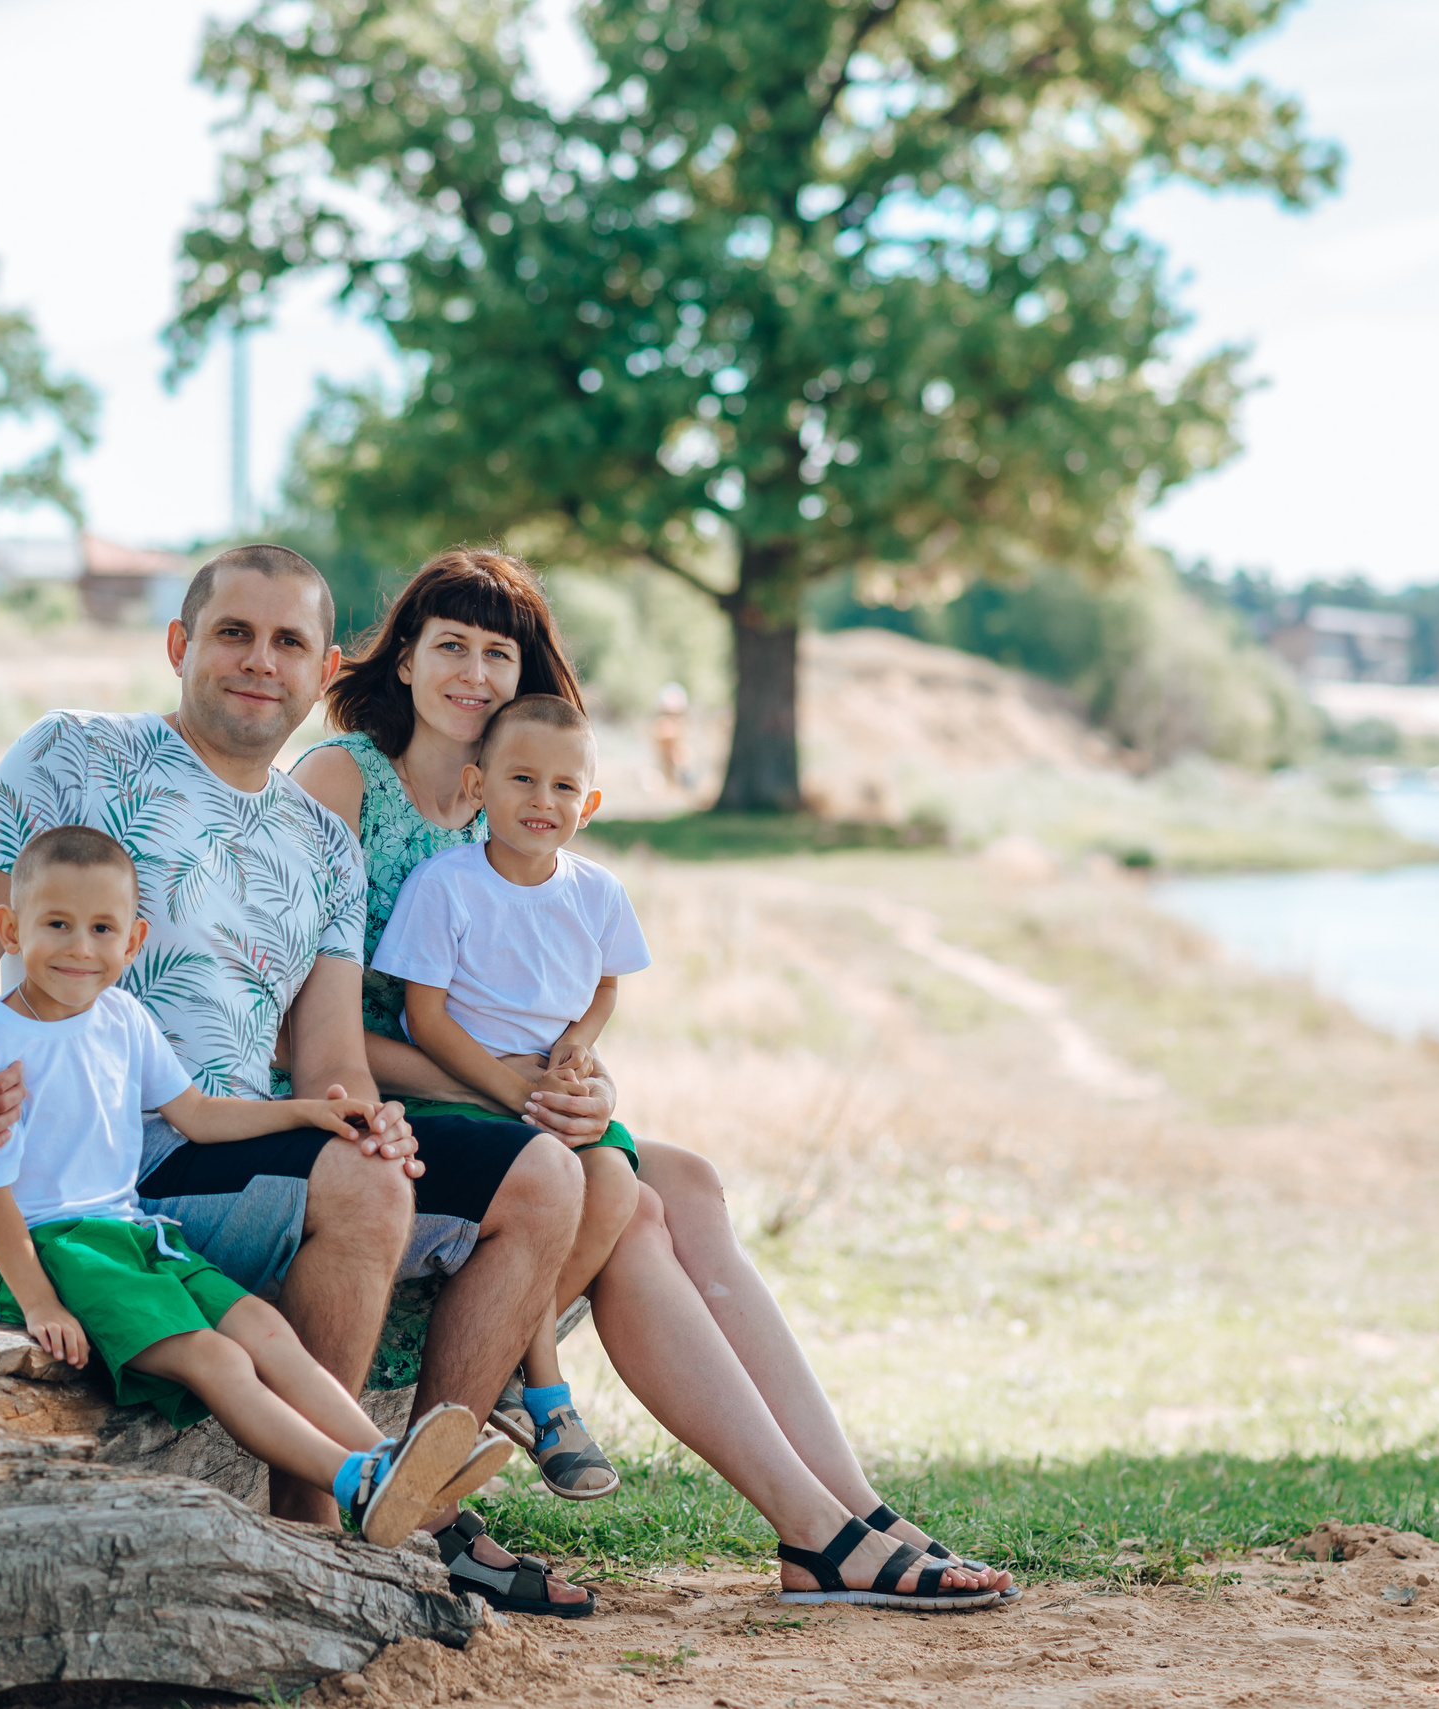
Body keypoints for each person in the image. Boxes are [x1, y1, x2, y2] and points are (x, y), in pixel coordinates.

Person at [291, 547, 1017, 1609]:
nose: (475, 673)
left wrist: (579, 1079)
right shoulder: (345, 776)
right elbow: (324, 1020)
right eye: (450, 645)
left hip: (486, 1101)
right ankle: (810, 1529)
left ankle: (849, 1504)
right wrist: (518, 1093)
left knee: (691, 1183)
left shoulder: (505, 810)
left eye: (502, 653)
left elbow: (546, 1003)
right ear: (402, 658)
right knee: (624, 1202)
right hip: (362, 1104)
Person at [0, 543, 592, 1614]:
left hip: (234, 1136)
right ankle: (316, 1536)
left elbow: (328, 1058)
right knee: (361, 1186)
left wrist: (369, 1115)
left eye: (288, 641)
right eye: (233, 632)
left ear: (321, 672)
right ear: (180, 645)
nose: (258, 660)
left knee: (541, 1174)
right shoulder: (75, 755)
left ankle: (426, 1490)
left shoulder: (321, 840)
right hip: (103, 1176)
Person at [0, 823, 503, 1548]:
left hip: (132, 1234)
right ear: (9, 929)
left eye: (102, 927)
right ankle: (357, 1481)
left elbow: (198, 1115)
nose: (81, 947)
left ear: (133, 941)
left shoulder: (123, 1018)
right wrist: (40, 1298)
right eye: (57, 924)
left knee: (266, 1331)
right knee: (219, 1358)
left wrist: (307, 1111)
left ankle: (400, 1467)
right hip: (49, 1252)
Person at [372, 694, 648, 1503]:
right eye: (522, 778)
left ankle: (501, 1369)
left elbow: (604, 984)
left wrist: (578, 1043)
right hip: (463, 1091)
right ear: (478, 783)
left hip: (544, 1087)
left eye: (565, 787)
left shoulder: (596, 892)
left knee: (618, 1182)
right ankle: (549, 1394)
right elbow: (423, 1017)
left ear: (588, 805)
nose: (543, 801)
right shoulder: (445, 885)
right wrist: (509, 1092)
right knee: (550, 1181)